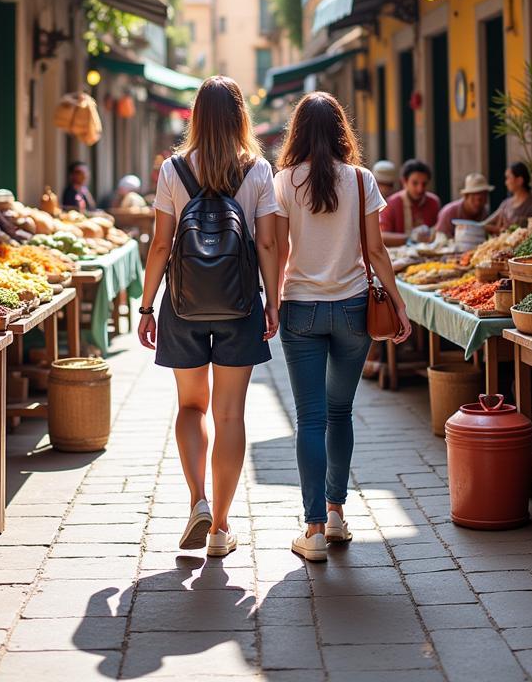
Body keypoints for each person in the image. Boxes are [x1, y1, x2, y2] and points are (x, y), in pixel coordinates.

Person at [138, 76, 280, 557]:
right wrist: (273, 301)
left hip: (183, 303)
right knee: (229, 413)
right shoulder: (258, 170)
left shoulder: (173, 169)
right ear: (242, 117)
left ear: (195, 116)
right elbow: (266, 242)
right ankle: (220, 527)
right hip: (240, 305)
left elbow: (161, 244)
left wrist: (145, 306)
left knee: (191, 408)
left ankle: (197, 500)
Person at [275, 93, 411, 562]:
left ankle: (312, 529)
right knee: (340, 412)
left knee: (310, 418)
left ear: (297, 131)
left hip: (301, 310)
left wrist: (271, 303)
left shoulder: (285, 182)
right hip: (354, 309)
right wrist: (398, 304)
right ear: (340, 131)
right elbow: (376, 251)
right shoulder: (360, 179)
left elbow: (276, 250)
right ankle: (335, 514)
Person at [379, 159, 441, 246]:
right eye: (415, 183)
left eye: (424, 184)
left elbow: (439, 231)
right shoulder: (392, 203)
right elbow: (381, 236)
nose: (420, 189)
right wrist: (410, 238)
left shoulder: (433, 202)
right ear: (404, 181)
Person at [485, 163, 532, 233]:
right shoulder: (505, 204)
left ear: (519, 180)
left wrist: (502, 230)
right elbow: (485, 224)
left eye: (508, 178)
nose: (506, 183)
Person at [435, 173, 494, 237]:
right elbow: (440, 239)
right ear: (466, 196)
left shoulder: (485, 212)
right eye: (473, 198)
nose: (478, 203)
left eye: (482, 198)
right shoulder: (449, 212)